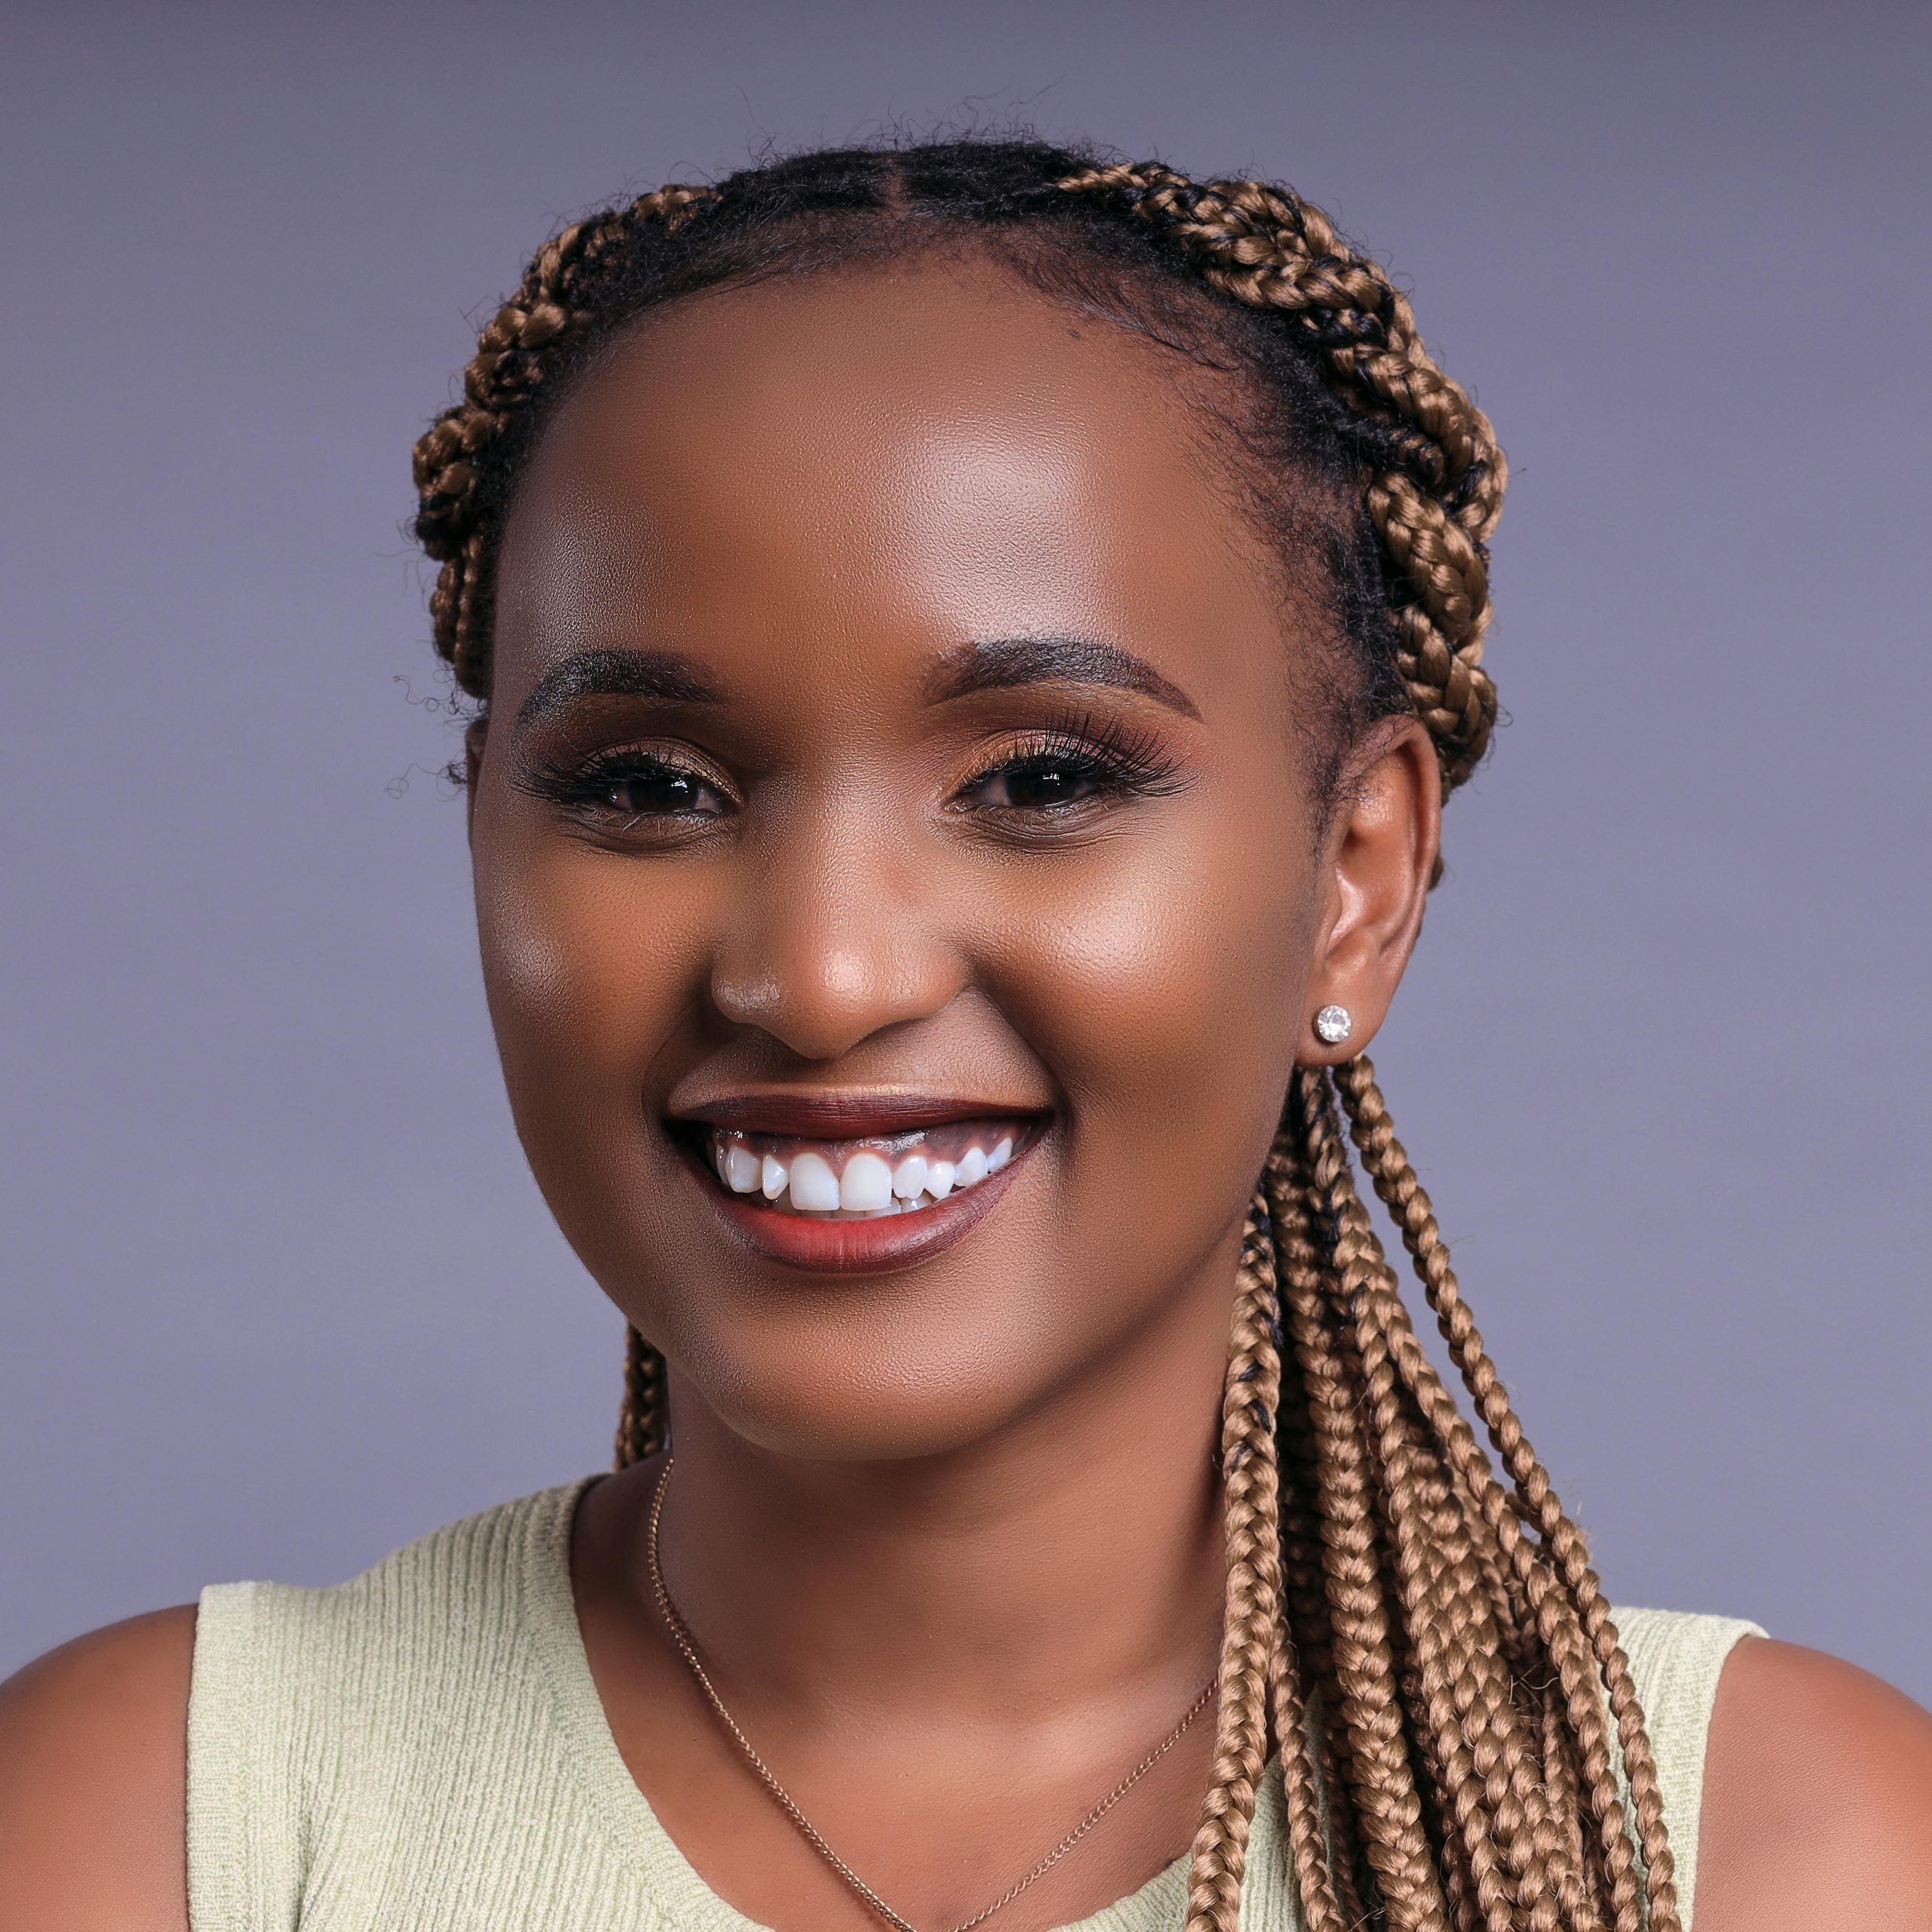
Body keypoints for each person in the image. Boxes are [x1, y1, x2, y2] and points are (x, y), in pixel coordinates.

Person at [2, 137, 1927, 1932]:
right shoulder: (148, 1830)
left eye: (1038, 778)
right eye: (652, 783)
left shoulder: (1760, 1851)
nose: (821, 977)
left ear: (1355, 875)